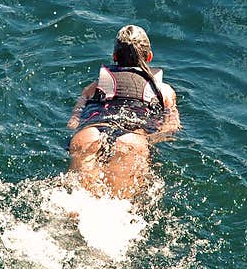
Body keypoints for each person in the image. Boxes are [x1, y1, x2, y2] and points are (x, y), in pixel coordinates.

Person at [67, 25, 181, 199]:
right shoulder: (164, 91)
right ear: (149, 57)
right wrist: (148, 142)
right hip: (132, 139)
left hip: (89, 134)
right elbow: (171, 129)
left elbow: (73, 122)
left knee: (81, 205)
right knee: (119, 209)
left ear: (114, 57)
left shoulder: (93, 87)